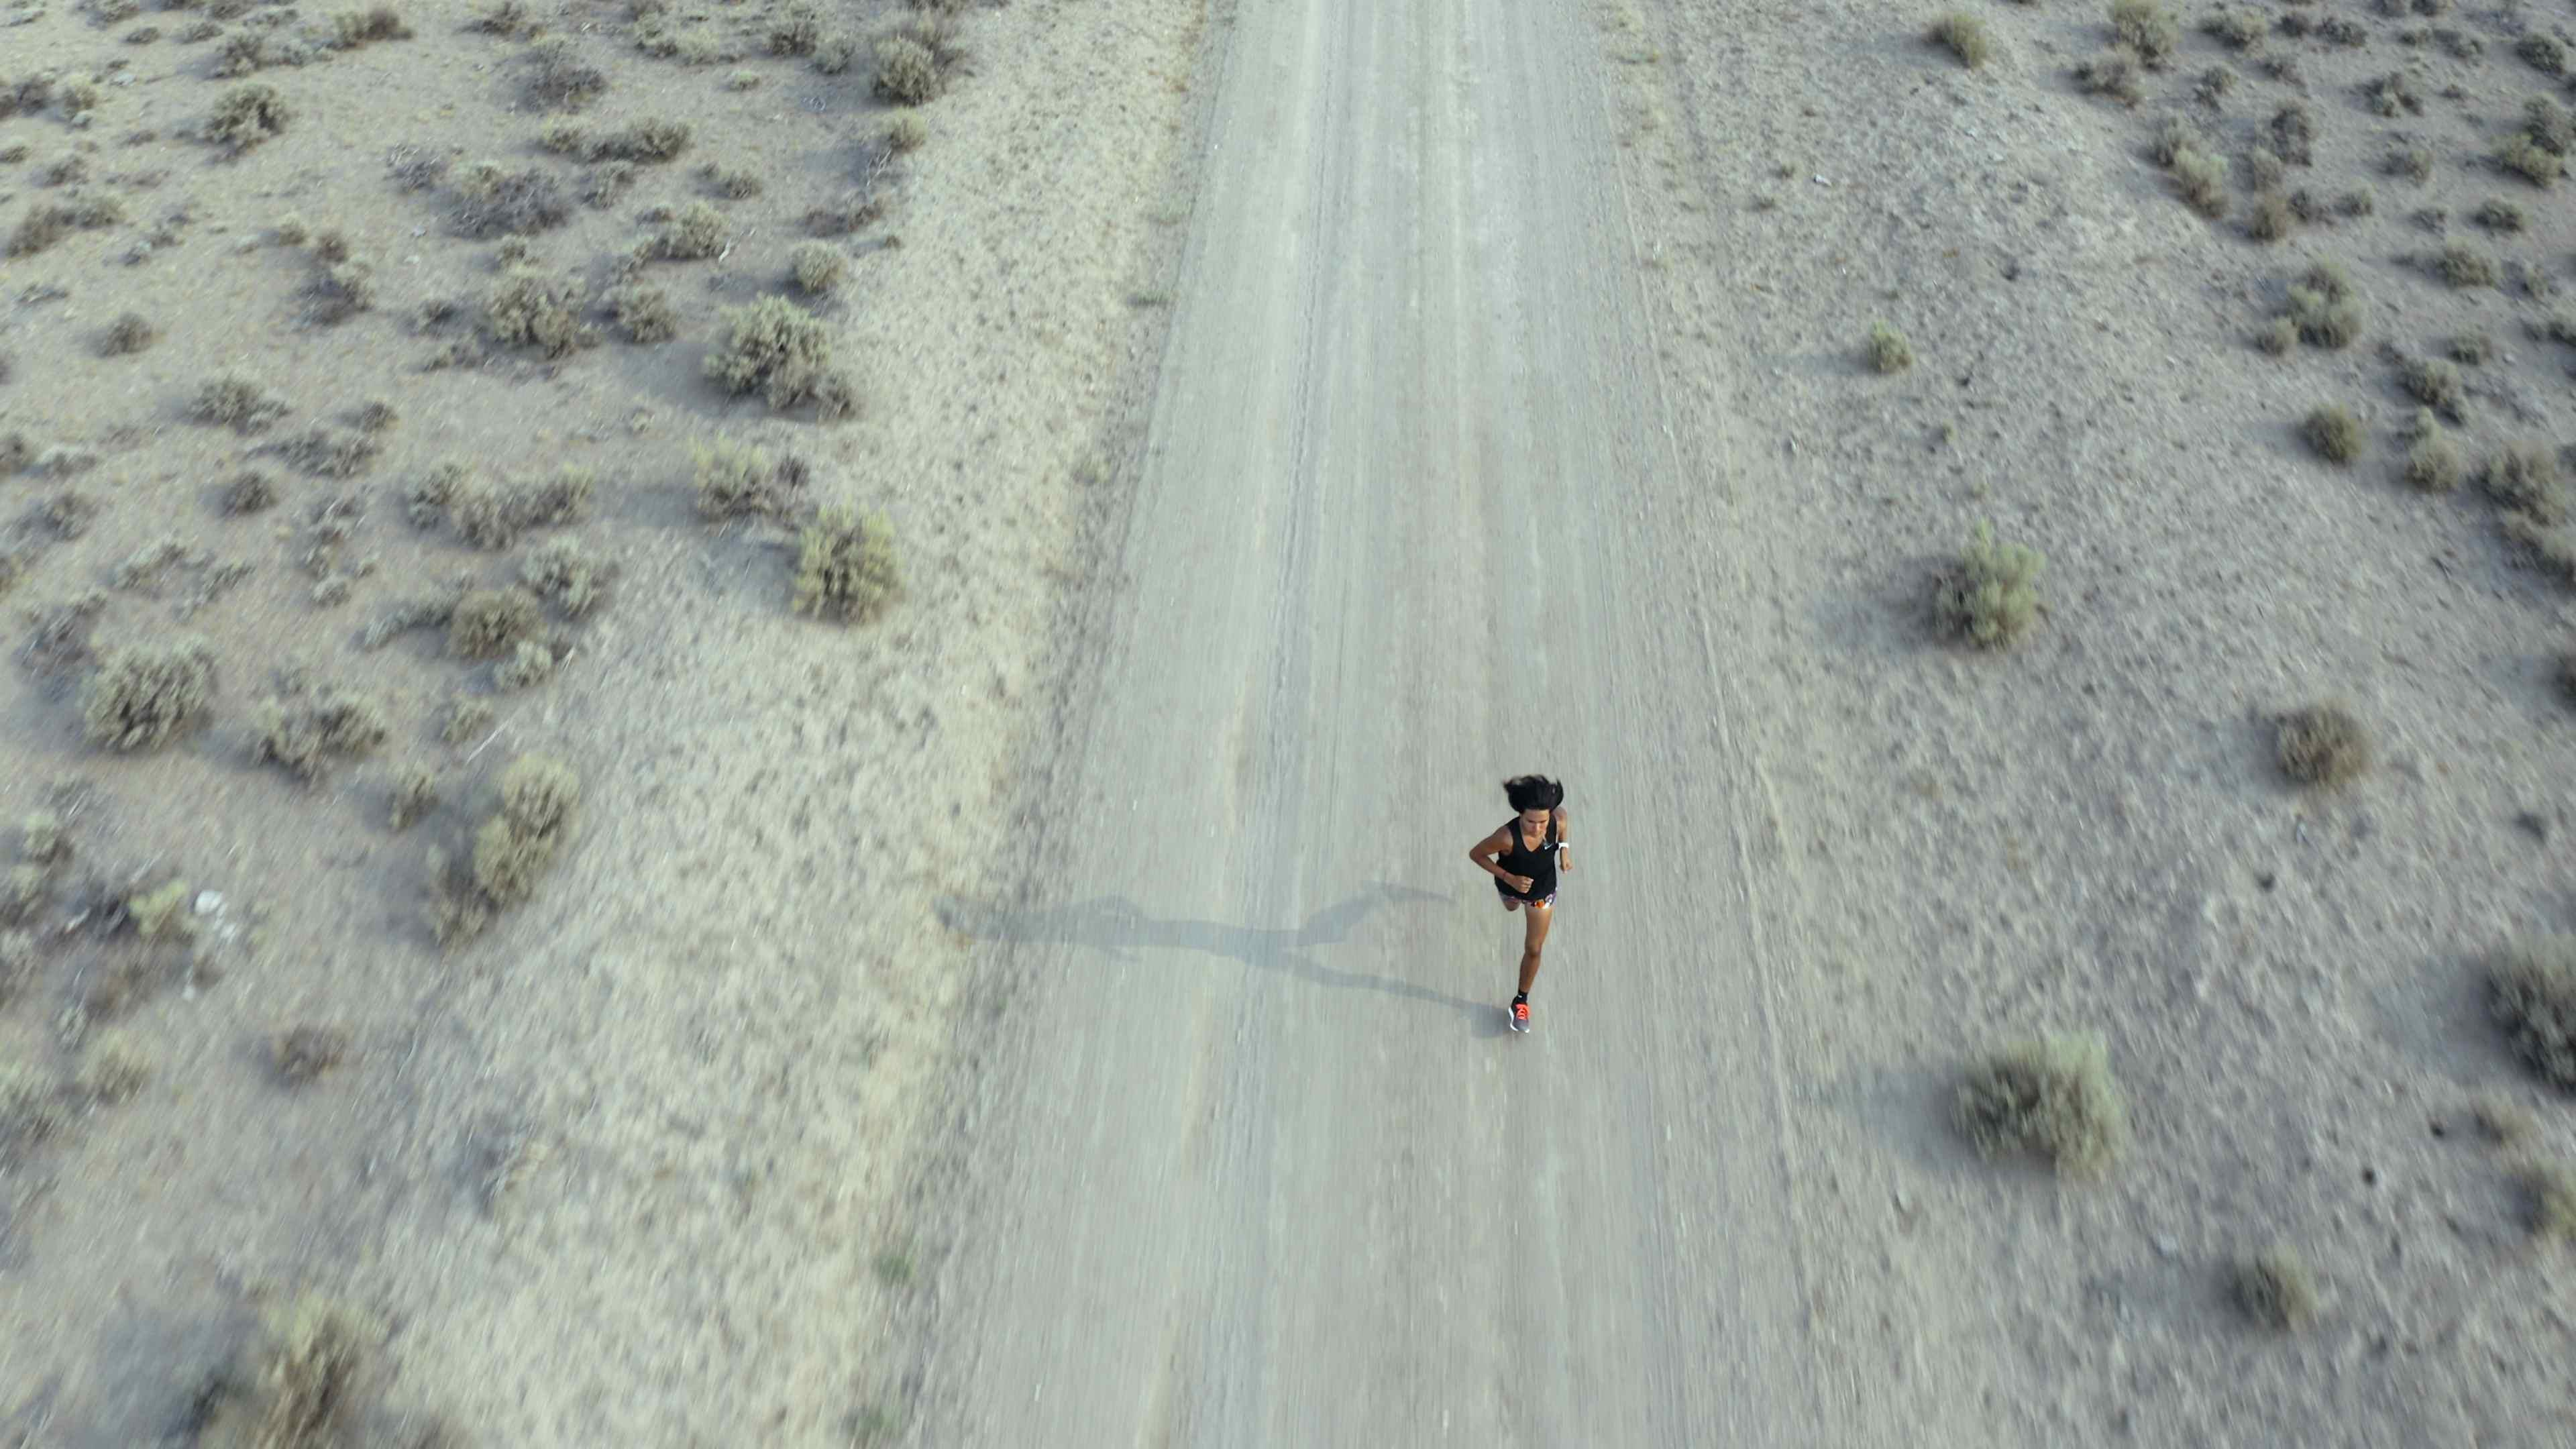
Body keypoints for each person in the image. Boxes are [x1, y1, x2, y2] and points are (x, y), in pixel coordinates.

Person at [1467, 775, 1570, 1032]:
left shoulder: (1556, 821)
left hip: (1543, 893)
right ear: (1520, 814)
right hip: (1510, 890)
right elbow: (1476, 854)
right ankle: (1512, 899)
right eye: (1530, 822)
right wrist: (1508, 878)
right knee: (1511, 907)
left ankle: (1521, 1001)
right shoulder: (1505, 837)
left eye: (1542, 822)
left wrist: (1565, 850)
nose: (1537, 829)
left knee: (1534, 948)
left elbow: (1564, 821)